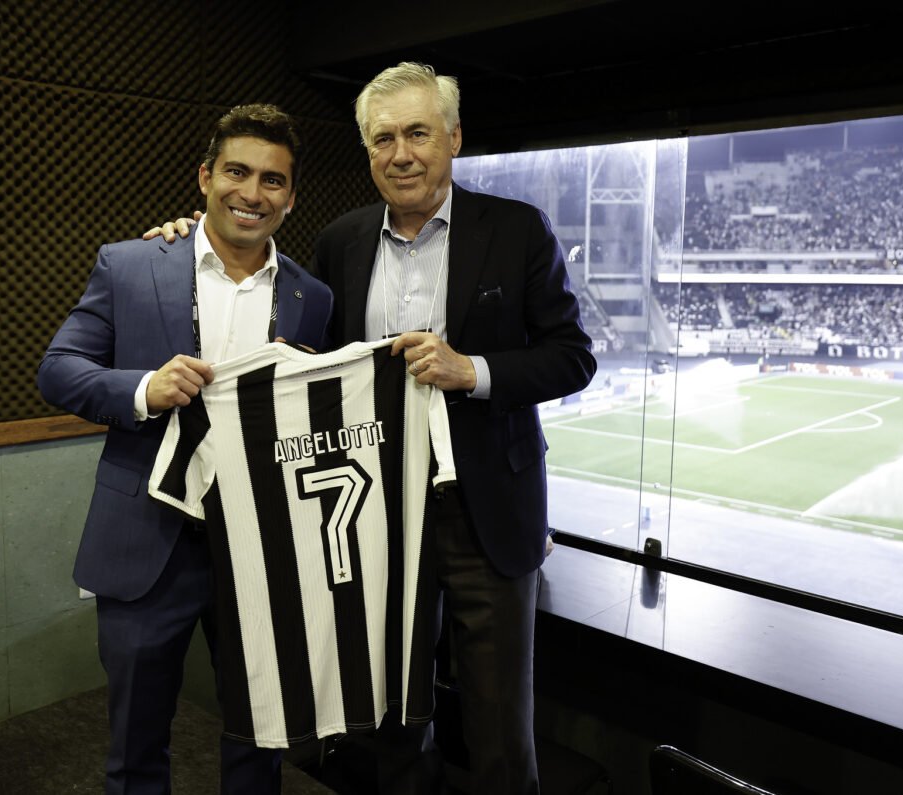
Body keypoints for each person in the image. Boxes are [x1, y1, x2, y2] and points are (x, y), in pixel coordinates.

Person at [148, 62, 596, 794]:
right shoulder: (340, 241)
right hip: (371, 511)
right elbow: (311, 352)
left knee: (498, 721)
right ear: (367, 151)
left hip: (487, 514)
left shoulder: (517, 231)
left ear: (453, 138)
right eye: (382, 138)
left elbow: (573, 357)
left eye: (418, 132)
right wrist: (184, 234)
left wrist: (471, 369)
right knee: (387, 711)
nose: (401, 153)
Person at [38, 103, 333, 795]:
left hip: (263, 552)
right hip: (148, 542)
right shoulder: (131, 261)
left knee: (260, 737)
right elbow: (57, 370)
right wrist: (143, 386)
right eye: (236, 171)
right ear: (204, 176)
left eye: (271, 180)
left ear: (290, 197)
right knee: (136, 743)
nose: (251, 193)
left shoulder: (312, 296)